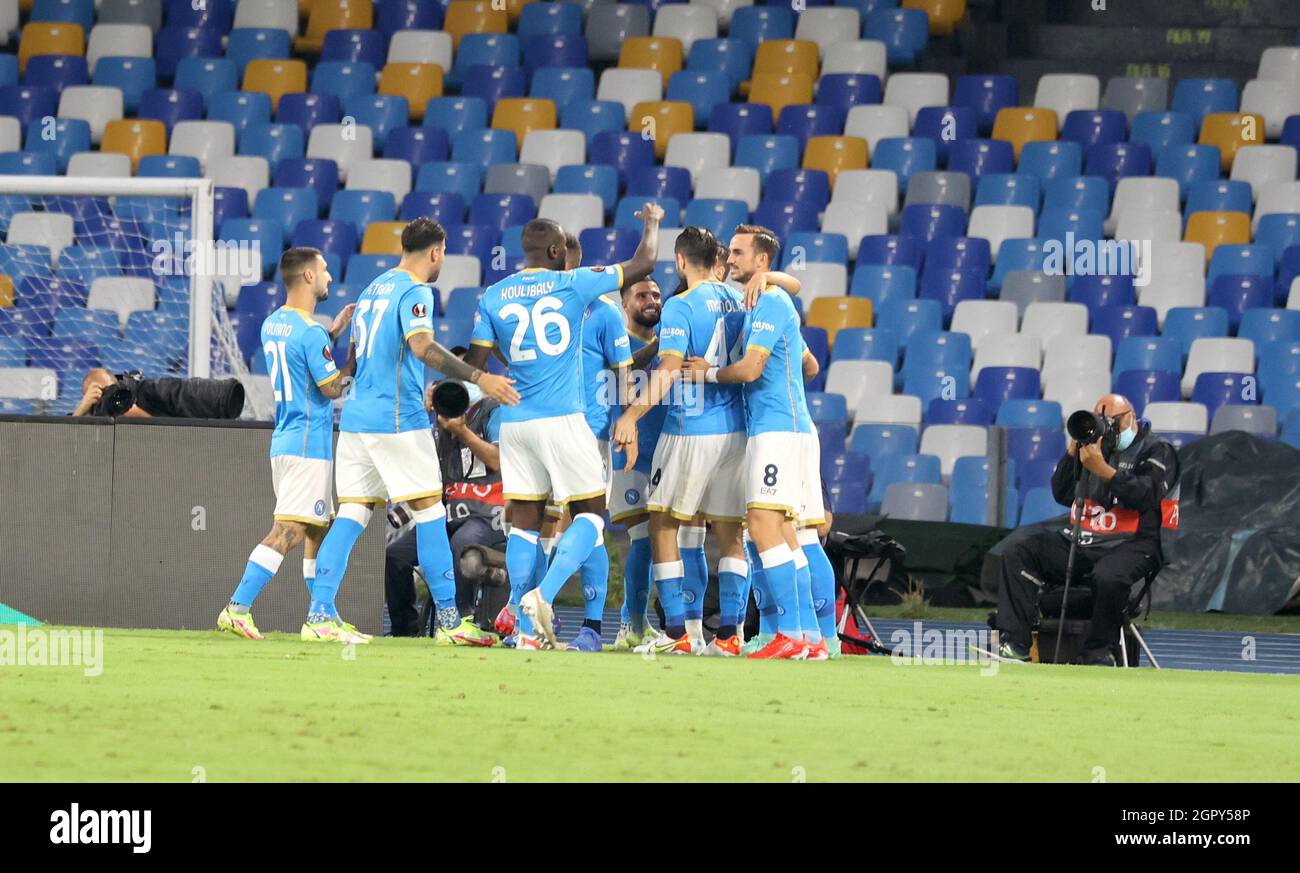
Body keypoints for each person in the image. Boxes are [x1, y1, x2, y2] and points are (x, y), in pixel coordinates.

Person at [304, 218, 520, 645]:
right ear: (436, 252)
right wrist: (479, 375)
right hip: (396, 421)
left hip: (355, 421)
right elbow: (422, 346)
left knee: (351, 514)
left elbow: (354, 358)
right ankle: (448, 621)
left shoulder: (371, 291)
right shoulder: (415, 290)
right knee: (430, 513)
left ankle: (319, 615)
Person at [466, 208, 661, 651]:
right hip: (569, 426)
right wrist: (652, 221)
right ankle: (544, 601)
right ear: (558, 253)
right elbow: (643, 263)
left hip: (516, 423)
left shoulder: (494, 294)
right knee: (591, 518)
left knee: (526, 524)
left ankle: (524, 626)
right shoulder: (575, 287)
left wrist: (473, 384)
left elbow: (475, 365)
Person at [683, 225, 823, 660]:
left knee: (762, 526)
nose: (731, 259)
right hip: (789, 428)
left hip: (777, 432)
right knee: (784, 531)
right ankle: (807, 637)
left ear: (761, 260)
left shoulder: (770, 300)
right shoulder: (765, 299)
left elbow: (749, 371)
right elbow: (810, 365)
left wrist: (704, 372)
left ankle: (792, 637)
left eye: (740, 253)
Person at [612, 226, 748, 656]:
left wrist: (632, 414)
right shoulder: (740, 298)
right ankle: (730, 636)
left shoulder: (681, 305)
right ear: (719, 262)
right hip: (736, 428)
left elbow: (669, 368)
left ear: (681, 261)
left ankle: (676, 636)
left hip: (690, 427)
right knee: (728, 532)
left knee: (662, 525)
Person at [216, 247, 355, 640]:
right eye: (325, 271)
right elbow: (330, 388)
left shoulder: (274, 324)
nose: (329, 277)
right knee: (291, 530)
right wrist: (353, 359)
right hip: (308, 444)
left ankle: (322, 615)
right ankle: (238, 607)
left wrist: (333, 335)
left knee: (316, 530)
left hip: (287, 439)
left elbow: (301, 357)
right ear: (308, 277)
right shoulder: (311, 332)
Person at [995, 393, 1179, 665]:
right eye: (1100, 421)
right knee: (1019, 551)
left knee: (1109, 576)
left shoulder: (1157, 449)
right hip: (1084, 540)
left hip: (1136, 541)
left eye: (1112, 420)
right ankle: (1015, 644)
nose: (1107, 427)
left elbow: (1147, 494)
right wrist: (1073, 452)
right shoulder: (1094, 448)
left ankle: (1097, 652)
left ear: (1131, 416)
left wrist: (1104, 471)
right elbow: (1061, 493)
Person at [386, 370, 506, 636]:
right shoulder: (441, 419)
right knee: (395, 556)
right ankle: (404, 629)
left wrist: (463, 431)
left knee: (459, 546)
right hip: (447, 515)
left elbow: (497, 460)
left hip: (486, 516)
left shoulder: (492, 411)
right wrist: (422, 413)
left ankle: (462, 620)